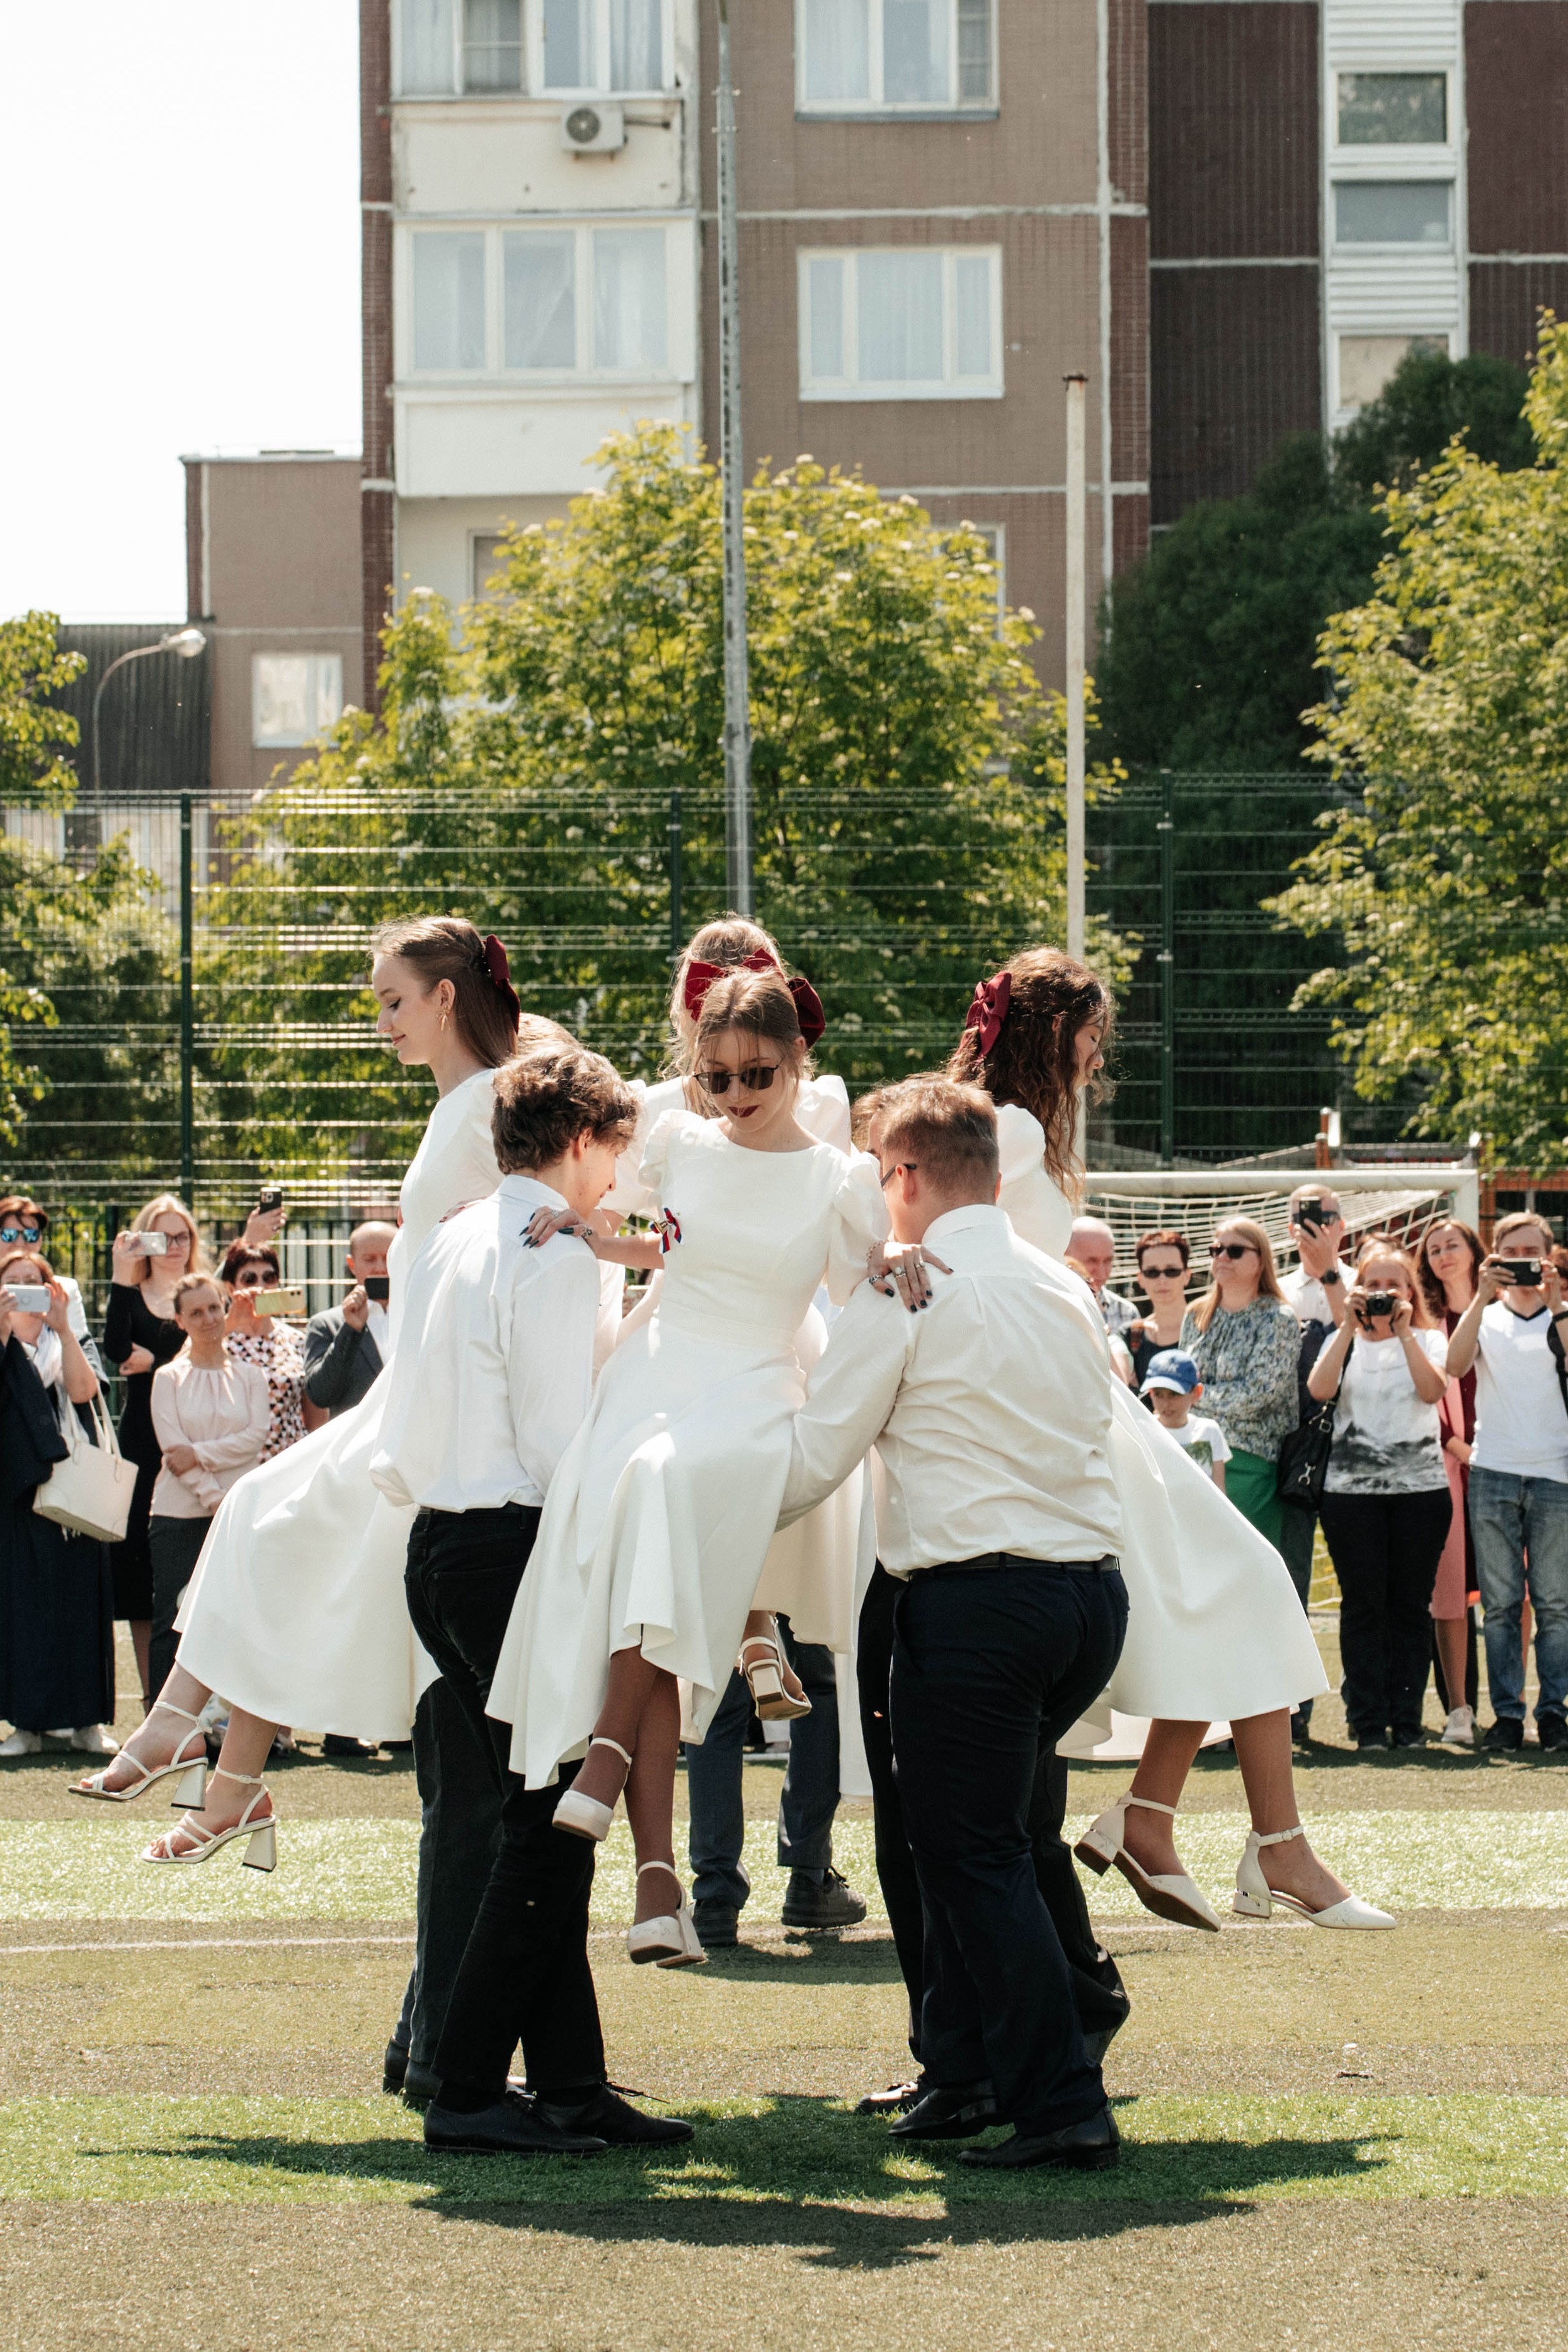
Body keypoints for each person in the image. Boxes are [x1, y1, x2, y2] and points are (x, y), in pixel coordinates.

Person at [951, 948, 1391, 1930]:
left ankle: (1181, 1822)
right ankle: (1223, 1835)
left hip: (1077, 1391)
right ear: (1050, 1031)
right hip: (1052, 1407)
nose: (1095, 1057)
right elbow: (918, 1226)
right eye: (1091, 1035)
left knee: (1233, 1589)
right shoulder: (1010, 1127)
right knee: (1238, 1585)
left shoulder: (1012, 1125)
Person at [487, 967, 888, 1963]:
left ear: (799, 1060)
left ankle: (612, 1754)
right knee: (644, 1541)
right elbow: (662, 1248)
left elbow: (859, 1291)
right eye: (717, 1077)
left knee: (661, 1492)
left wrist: (901, 1260)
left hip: (754, 1386)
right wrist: (589, 1228)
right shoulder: (680, 1145)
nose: (738, 1094)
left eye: (758, 1073)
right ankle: (657, 1883)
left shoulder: (840, 1179)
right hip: (657, 1370)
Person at [779, 1077, 1129, 2170]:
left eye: (881, 1176)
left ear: (909, 1179)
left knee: (969, 1852)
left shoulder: (906, 1290)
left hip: (976, 1598)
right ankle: (981, 2065)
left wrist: (671, 1483)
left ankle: (1058, 2095)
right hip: (1082, 1595)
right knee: (999, 1836)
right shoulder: (1059, 1281)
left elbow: (812, 1455)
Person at [371, 1040, 690, 2157]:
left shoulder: (458, 1232)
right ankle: (464, 2083)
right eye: (617, 1149)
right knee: (547, 1818)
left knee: (536, 1809)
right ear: (582, 1139)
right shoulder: (549, 1252)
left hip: (439, 1542)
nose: (621, 1173)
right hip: (511, 1546)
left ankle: (565, 2081)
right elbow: (561, 1439)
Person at [1307, 1241, 1453, 1751]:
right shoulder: (1340, 1336)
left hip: (1420, 1492)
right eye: (1374, 1285)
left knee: (1410, 1606)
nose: (1384, 1294)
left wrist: (1405, 1331)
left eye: (1395, 1285)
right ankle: (1367, 1722)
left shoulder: (1430, 1340)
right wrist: (1348, 1326)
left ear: (1411, 1291)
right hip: (1350, 1495)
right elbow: (1319, 1389)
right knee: (1363, 1605)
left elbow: (1432, 1392)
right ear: (1357, 1289)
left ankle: (1407, 1720)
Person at [134, 1273, 274, 1784]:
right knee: (173, 1613)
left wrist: (206, 1461)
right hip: (178, 1513)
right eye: (196, 1313)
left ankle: (227, 1728)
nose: (209, 1320)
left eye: (214, 1308)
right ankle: (165, 1730)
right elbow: (173, 1452)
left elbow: (253, 1438)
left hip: (236, 1512)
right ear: (180, 1321)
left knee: (234, 1615)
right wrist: (213, 1491)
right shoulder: (167, 1378)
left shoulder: (252, 1376)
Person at [1445, 1211, 1568, 1753]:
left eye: (1531, 1252)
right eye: (1510, 1253)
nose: (1522, 1262)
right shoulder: (1486, 1316)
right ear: (1494, 1256)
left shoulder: (1562, 1315)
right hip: (1493, 1472)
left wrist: (1556, 1299)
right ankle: (1508, 1717)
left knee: (1555, 1604)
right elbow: (1453, 1363)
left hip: (1555, 1474)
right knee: (1498, 1606)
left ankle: (1554, 1712)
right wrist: (1480, 1296)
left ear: (1548, 1254)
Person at [686, 1617, 866, 1947]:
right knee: (817, 1683)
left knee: (718, 1701)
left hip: (728, 1566)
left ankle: (715, 1896)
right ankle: (809, 1875)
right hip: (796, 1564)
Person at [0, 1254, 117, 1758]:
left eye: (35, 1282)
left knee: (81, 1602)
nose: (27, 1290)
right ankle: (28, 1725)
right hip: (16, 1490)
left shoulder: (68, 1334)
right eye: (15, 1283)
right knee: (23, 1606)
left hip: (74, 1488)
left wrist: (65, 1329)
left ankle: (85, 1724)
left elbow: (85, 1390)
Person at [101, 1195, 207, 1713]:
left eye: (182, 1236)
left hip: (202, 1436)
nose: (173, 1247)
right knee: (141, 1571)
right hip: (144, 1441)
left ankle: (203, 1700)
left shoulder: (203, 1292)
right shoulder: (132, 1291)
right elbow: (116, 1348)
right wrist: (123, 1277)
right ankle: (152, 1699)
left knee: (200, 1566)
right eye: (161, 1237)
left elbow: (212, 1346)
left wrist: (158, 1358)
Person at [1276, 1185, 1355, 1739]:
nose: (1313, 1225)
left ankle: (1369, 1711)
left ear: (1342, 1224)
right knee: (1291, 1581)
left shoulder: (1362, 1280)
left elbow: (1361, 1338)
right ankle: (1291, 1709)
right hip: (1297, 1456)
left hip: (1358, 1452)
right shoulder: (1277, 1289)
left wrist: (1329, 1273)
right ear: (1287, 1227)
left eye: (1323, 1215)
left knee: (1363, 1588)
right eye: (1304, 1216)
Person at [1181, 1219, 1301, 1551]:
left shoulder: (1278, 1319)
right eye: (1216, 1250)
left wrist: (1195, 1398)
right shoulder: (1196, 1315)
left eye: (1234, 1251)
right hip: (1193, 1454)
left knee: (1242, 1563)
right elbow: (1181, 1383)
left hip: (1249, 1460)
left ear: (1260, 1260)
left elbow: (1258, 1397)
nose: (1222, 1258)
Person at [1418, 1217, 1485, 1746]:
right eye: (1433, 1248)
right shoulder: (1427, 1322)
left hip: (1510, 1464)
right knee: (1450, 1592)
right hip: (1449, 1468)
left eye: (1452, 1244)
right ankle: (1458, 1709)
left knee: (1517, 1592)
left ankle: (1517, 1706)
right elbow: (1426, 1396)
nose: (1443, 1254)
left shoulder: (1505, 1311)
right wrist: (1463, 1450)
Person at [219, 1244, 307, 1459]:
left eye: (269, 1278)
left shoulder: (295, 1340)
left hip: (288, 1458)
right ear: (231, 1288)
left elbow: (313, 1415)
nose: (260, 1287)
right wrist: (230, 1322)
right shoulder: (219, 1339)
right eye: (250, 1279)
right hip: (237, 1462)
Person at [303, 1222, 398, 1421]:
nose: (380, 1268)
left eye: (388, 1258)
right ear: (352, 1264)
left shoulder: (419, 1317)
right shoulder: (327, 1324)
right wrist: (351, 1330)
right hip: (358, 1444)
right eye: (370, 1260)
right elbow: (321, 1394)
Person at [1140, 1348, 1230, 1491]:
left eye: (1174, 1394)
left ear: (1196, 1393)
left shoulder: (1209, 1431)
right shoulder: (1142, 1431)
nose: (1166, 1403)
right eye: (1158, 1394)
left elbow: (1220, 1491)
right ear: (1150, 1393)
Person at [1128, 1230, 1191, 1390]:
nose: (1162, 1280)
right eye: (1152, 1273)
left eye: (1171, 1271)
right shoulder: (1130, 1336)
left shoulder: (1208, 1329)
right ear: (1140, 1279)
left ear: (1187, 1276)